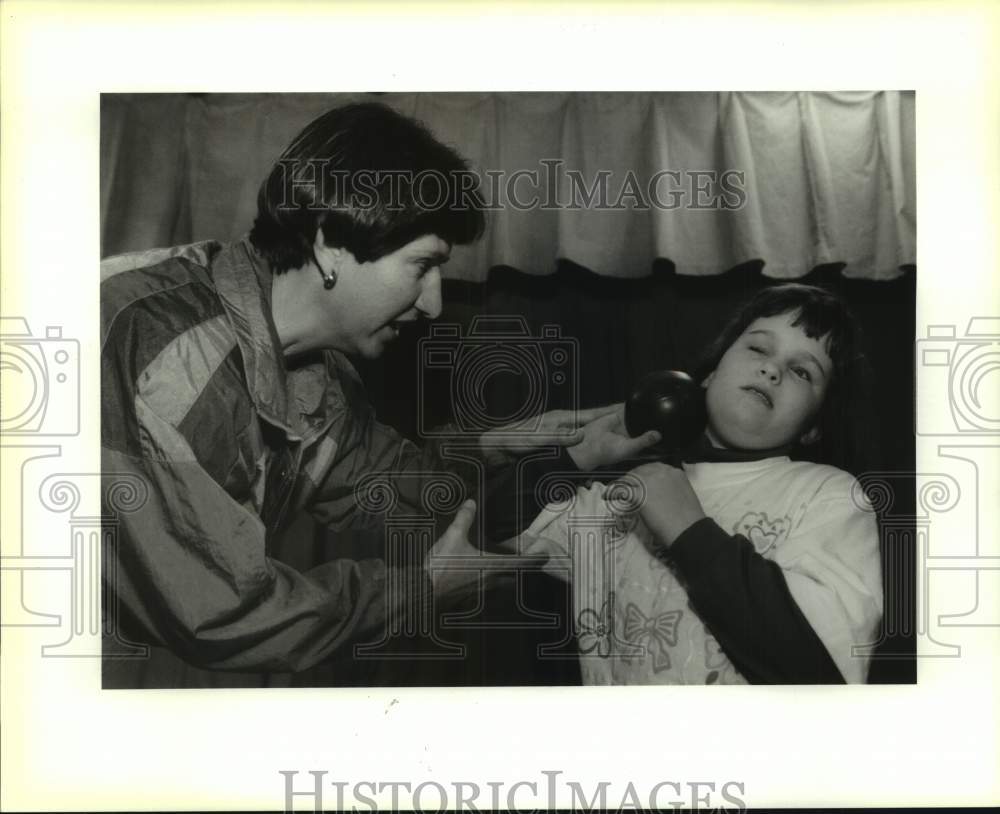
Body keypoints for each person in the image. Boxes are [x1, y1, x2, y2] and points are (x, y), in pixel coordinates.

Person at [100, 102, 659, 688]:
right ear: (332, 244)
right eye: (422, 266)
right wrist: (423, 588)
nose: (434, 303)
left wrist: (553, 454)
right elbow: (219, 613)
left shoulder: (319, 380)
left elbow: (407, 488)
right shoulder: (156, 350)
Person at [520, 284, 884, 684]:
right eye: (758, 349)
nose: (772, 369)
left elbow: (825, 673)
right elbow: (492, 531)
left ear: (814, 426)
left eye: (802, 371)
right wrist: (568, 460)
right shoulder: (624, 499)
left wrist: (689, 531)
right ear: (710, 374)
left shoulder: (829, 496)